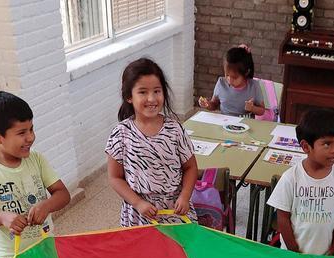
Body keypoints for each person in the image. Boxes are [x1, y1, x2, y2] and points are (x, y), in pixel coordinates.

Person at [0, 92, 71, 258]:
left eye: (31, 129)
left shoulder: (36, 159)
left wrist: (47, 205)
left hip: (46, 246)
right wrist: (1, 217)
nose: (31, 137)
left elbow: (63, 194)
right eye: (21, 133)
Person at [107, 57, 199, 227]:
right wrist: (137, 203)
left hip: (175, 211)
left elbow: (190, 167)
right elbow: (114, 177)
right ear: (129, 96)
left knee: (177, 245)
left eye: (157, 91)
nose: (152, 98)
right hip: (138, 214)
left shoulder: (175, 129)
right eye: (143, 92)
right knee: (142, 246)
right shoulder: (120, 134)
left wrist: (185, 196)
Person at [266, 109, 334, 255]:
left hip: (325, 256)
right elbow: (282, 217)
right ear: (306, 147)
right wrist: (294, 251)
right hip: (293, 256)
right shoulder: (291, 178)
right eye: (327, 144)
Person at [197, 45, 266, 117]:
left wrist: (252, 108)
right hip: (225, 122)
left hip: (246, 123)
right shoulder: (221, 83)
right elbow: (214, 104)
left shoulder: (254, 86)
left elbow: (262, 111)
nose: (229, 80)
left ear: (246, 73)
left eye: (235, 78)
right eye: (227, 75)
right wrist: (207, 104)